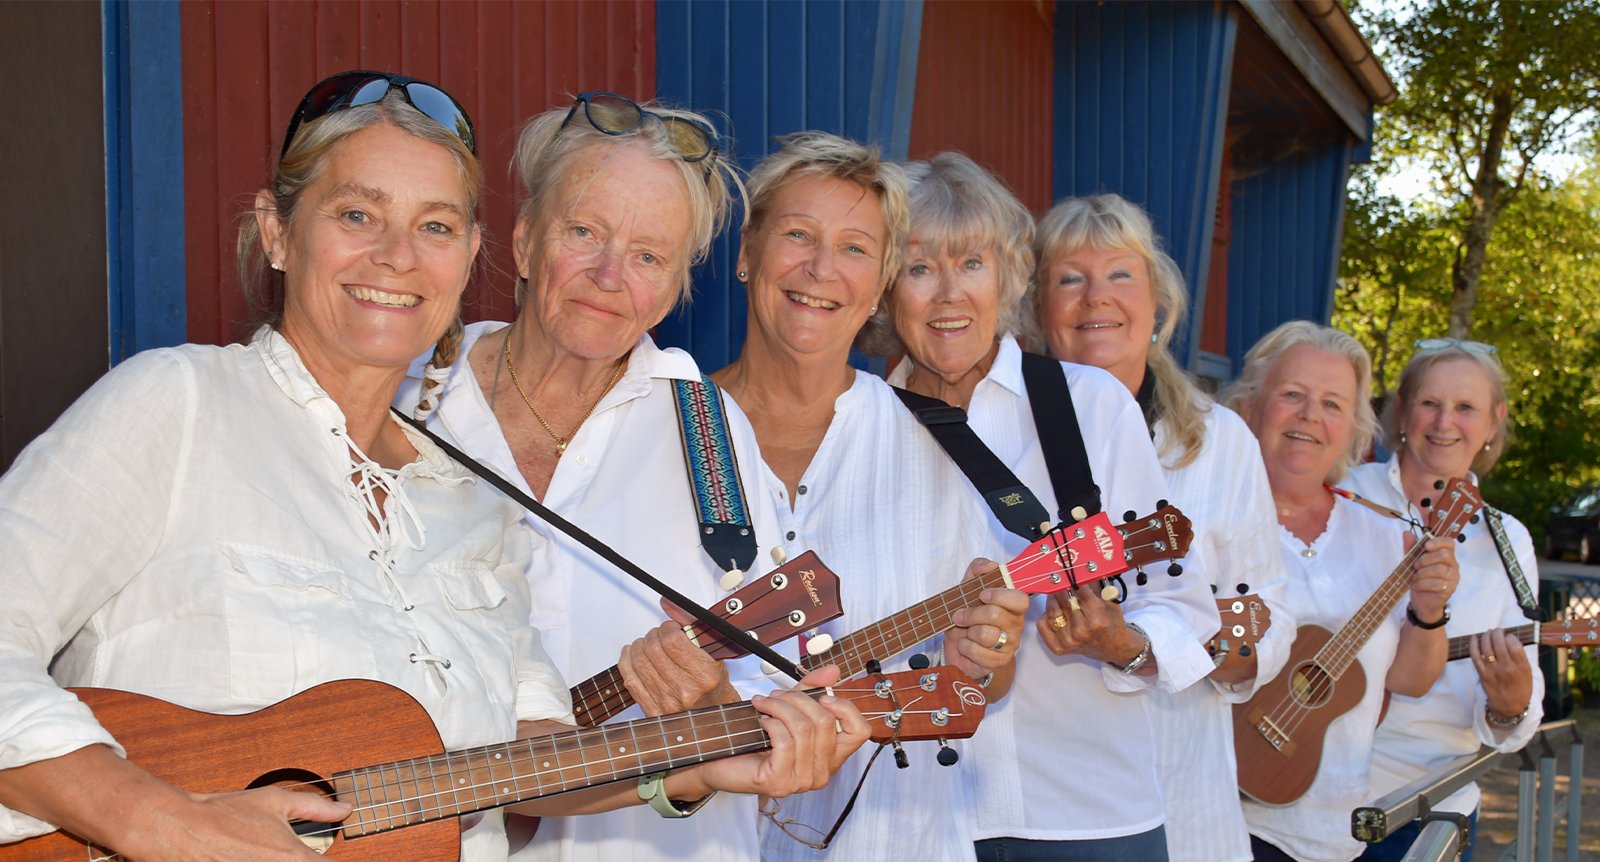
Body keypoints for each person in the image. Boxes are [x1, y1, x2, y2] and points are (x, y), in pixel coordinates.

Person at [0, 72, 864, 862]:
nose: (398, 256)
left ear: (468, 257)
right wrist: (165, 823)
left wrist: (699, 772)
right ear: (276, 233)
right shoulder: (178, 404)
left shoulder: (467, 501)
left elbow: (529, 762)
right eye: (356, 215)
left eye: (436, 227)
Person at [397, 92, 843, 862]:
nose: (610, 275)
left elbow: (778, 683)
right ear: (526, 240)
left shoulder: (706, 433)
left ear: (674, 288)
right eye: (584, 233)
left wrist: (706, 699)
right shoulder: (409, 398)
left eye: (648, 256)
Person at [875, 162, 1219, 861]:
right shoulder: (858, 423)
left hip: (1085, 817)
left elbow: (1184, 606)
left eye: (971, 263)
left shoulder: (1089, 404)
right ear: (883, 288)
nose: (948, 295)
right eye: (918, 268)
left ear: (1007, 279)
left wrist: (1119, 642)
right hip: (903, 819)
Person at [710, 134, 1026, 861]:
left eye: (855, 248)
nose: (821, 269)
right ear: (745, 252)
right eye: (796, 235)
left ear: (881, 281)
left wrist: (986, 652)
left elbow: (982, 674)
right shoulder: (668, 426)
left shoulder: (941, 446)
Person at [1024, 192, 1293, 862]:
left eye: (1120, 274)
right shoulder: (1000, 434)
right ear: (1036, 309)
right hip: (1042, 803)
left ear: (1157, 302)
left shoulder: (1222, 440)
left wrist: (1225, 642)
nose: (1096, 298)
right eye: (1069, 278)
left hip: (1185, 791)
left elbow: (1269, 612)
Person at [1219, 322, 1460, 862]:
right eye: (1293, 395)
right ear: (1250, 405)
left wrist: (1428, 613)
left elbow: (1408, 679)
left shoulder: (1382, 533)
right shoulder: (1212, 518)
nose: (1310, 416)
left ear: (1353, 427)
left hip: (1338, 832)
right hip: (1220, 823)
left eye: (1332, 403)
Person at [1347, 339, 1541, 862]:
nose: (1444, 423)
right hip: (1295, 788)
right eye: (1430, 403)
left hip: (1422, 813)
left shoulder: (1506, 541)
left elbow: (1513, 724)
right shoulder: (1340, 495)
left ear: (1494, 421)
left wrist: (1510, 702)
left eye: (1466, 408)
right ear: (1404, 409)